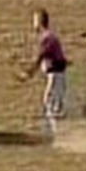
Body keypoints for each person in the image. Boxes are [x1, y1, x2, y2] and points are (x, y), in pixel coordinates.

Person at [18, 8, 69, 136]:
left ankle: (58, 134)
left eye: (35, 21)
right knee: (53, 102)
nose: (33, 25)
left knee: (50, 102)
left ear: (39, 22)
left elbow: (40, 56)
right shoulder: (50, 37)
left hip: (55, 75)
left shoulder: (47, 38)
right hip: (57, 75)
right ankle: (53, 131)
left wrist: (29, 72)